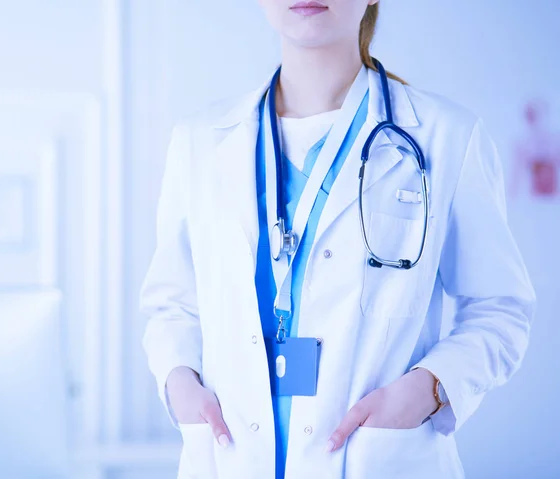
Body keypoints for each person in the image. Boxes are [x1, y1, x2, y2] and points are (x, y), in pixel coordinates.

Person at [140, 1, 536, 478]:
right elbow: (172, 304)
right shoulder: (199, 142)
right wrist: (179, 381)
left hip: (377, 460)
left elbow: (501, 306)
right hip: (230, 458)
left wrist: (428, 390)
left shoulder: (446, 137)